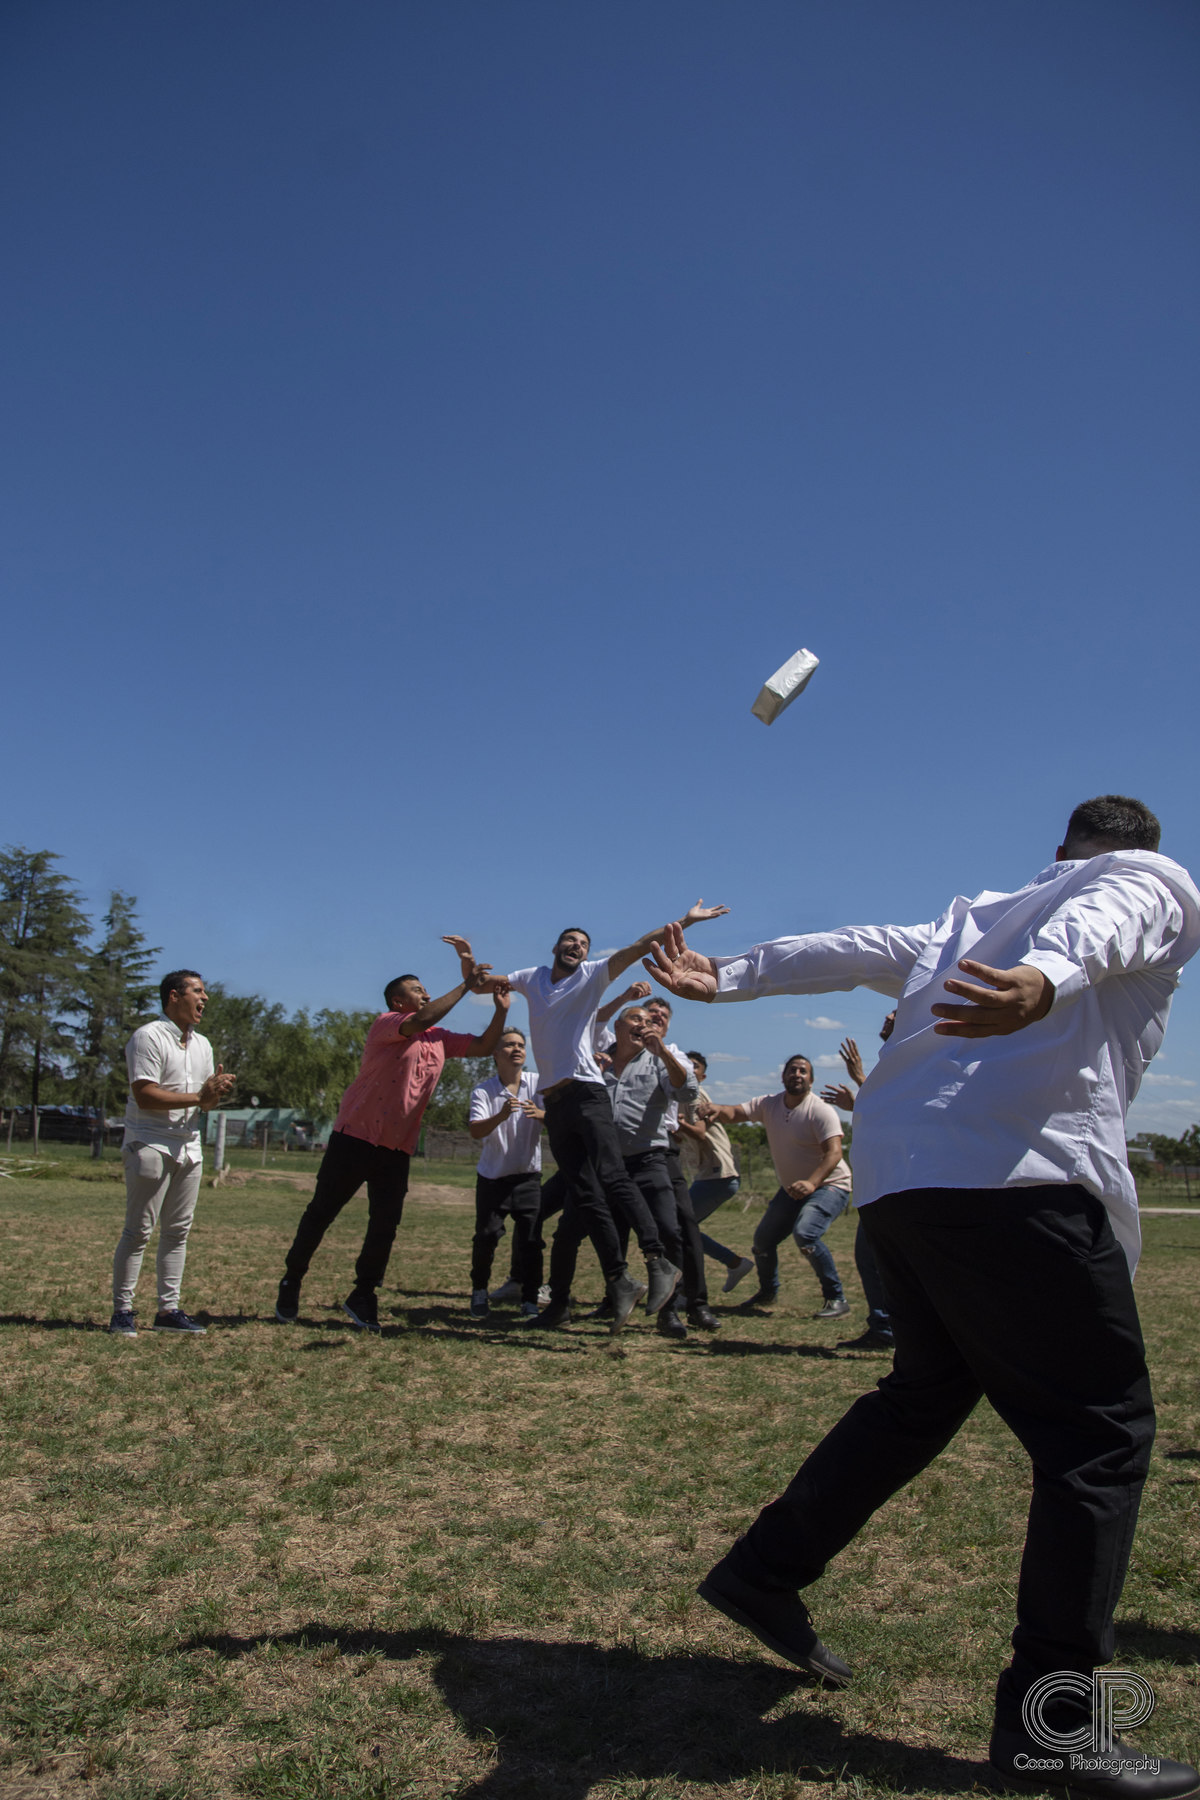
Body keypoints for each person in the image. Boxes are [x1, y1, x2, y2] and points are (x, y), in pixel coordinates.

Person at [644, 796, 1200, 1797]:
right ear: (1139, 850)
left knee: (924, 1394)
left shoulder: (972, 914)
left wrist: (725, 978)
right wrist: (1046, 980)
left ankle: (765, 1571)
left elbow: (847, 947)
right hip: (1015, 1178)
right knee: (1100, 1439)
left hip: (906, 1182)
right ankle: (1054, 1730)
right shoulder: (1150, 880)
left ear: (1061, 848)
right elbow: (1105, 921)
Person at [505, 901, 727, 1333]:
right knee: (576, 1216)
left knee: (673, 1223)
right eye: (636, 1019)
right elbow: (590, 1018)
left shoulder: (662, 1054)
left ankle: (681, 1299)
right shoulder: (599, 1047)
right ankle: (600, 1289)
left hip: (648, 1158)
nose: (644, 1024)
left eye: (652, 1020)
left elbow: (686, 1091)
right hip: (576, 1122)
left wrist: (683, 922)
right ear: (621, 1026)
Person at [275, 937, 510, 1334]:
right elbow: (419, 1021)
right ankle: (292, 1279)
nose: (426, 995)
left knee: (384, 1224)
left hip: (397, 1148)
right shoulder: (387, 1025)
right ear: (397, 1002)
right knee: (321, 1213)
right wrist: (466, 985)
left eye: (425, 990)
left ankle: (363, 1293)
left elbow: (487, 1046)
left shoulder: (439, 1038)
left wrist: (500, 1012)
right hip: (355, 1138)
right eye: (418, 990)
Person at [109, 970, 236, 1337]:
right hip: (149, 1143)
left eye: (204, 991)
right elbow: (145, 1095)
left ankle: (168, 1311)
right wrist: (200, 1095)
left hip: (188, 1145)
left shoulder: (203, 1045)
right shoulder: (148, 1036)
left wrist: (214, 1091)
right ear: (173, 996)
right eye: (198, 990)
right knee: (138, 1231)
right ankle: (123, 1312)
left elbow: (205, 1103)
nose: (205, 998)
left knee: (178, 1231)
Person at [704, 1056, 852, 1318]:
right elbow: (735, 1113)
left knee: (806, 1234)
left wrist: (811, 1182)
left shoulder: (820, 1110)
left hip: (830, 1185)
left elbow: (834, 1153)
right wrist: (715, 1108)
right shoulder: (768, 1104)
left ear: (811, 1080)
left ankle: (836, 1299)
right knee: (762, 1242)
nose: (797, 1074)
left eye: (803, 1071)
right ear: (783, 1077)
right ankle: (767, 1293)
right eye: (792, 1070)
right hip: (792, 1189)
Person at [820, 1021, 895, 1351]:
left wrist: (861, 1079)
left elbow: (899, 1108)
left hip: (896, 1183)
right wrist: (858, 1099)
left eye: (896, 1012)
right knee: (870, 1257)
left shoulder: (909, 1058)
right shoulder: (893, 1058)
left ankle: (890, 1328)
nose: (889, 1016)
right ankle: (885, 1327)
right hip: (880, 1181)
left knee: (877, 1257)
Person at [467, 1027, 545, 1322]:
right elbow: (475, 1130)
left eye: (521, 1045)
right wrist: (500, 1115)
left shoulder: (538, 1085)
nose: (516, 1049)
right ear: (495, 1054)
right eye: (509, 1045)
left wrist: (541, 1114)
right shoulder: (483, 1091)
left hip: (528, 1178)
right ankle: (479, 1291)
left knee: (531, 1241)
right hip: (493, 1179)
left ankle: (529, 1300)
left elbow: (561, 1118)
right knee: (486, 1237)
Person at [674, 1052, 754, 1292]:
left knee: (679, 1227)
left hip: (719, 1174)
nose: (687, 1068)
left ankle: (684, 1287)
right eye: (683, 1063)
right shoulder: (683, 1096)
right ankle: (733, 1263)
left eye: (694, 1066)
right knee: (684, 1227)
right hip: (710, 1174)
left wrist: (676, 1124)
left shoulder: (696, 1094)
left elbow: (698, 1132)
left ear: (702, 1076)